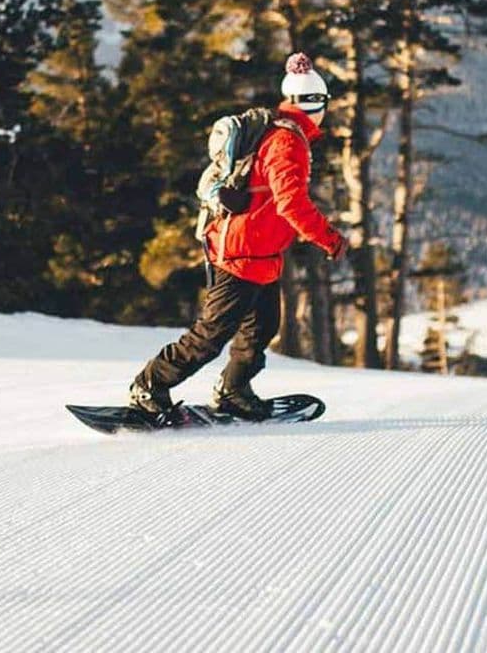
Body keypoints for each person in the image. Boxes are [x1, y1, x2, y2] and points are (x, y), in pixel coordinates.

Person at [128, 53, 348, 421]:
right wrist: (329, 239)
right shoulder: (287, 142)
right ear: (314, 103)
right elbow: (291, 203)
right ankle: (149, 385)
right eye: (324, 103)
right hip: (239, 251)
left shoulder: (285, 132)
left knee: (261, 327)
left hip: (261, 253)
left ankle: (233, 390)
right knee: (211, 334)